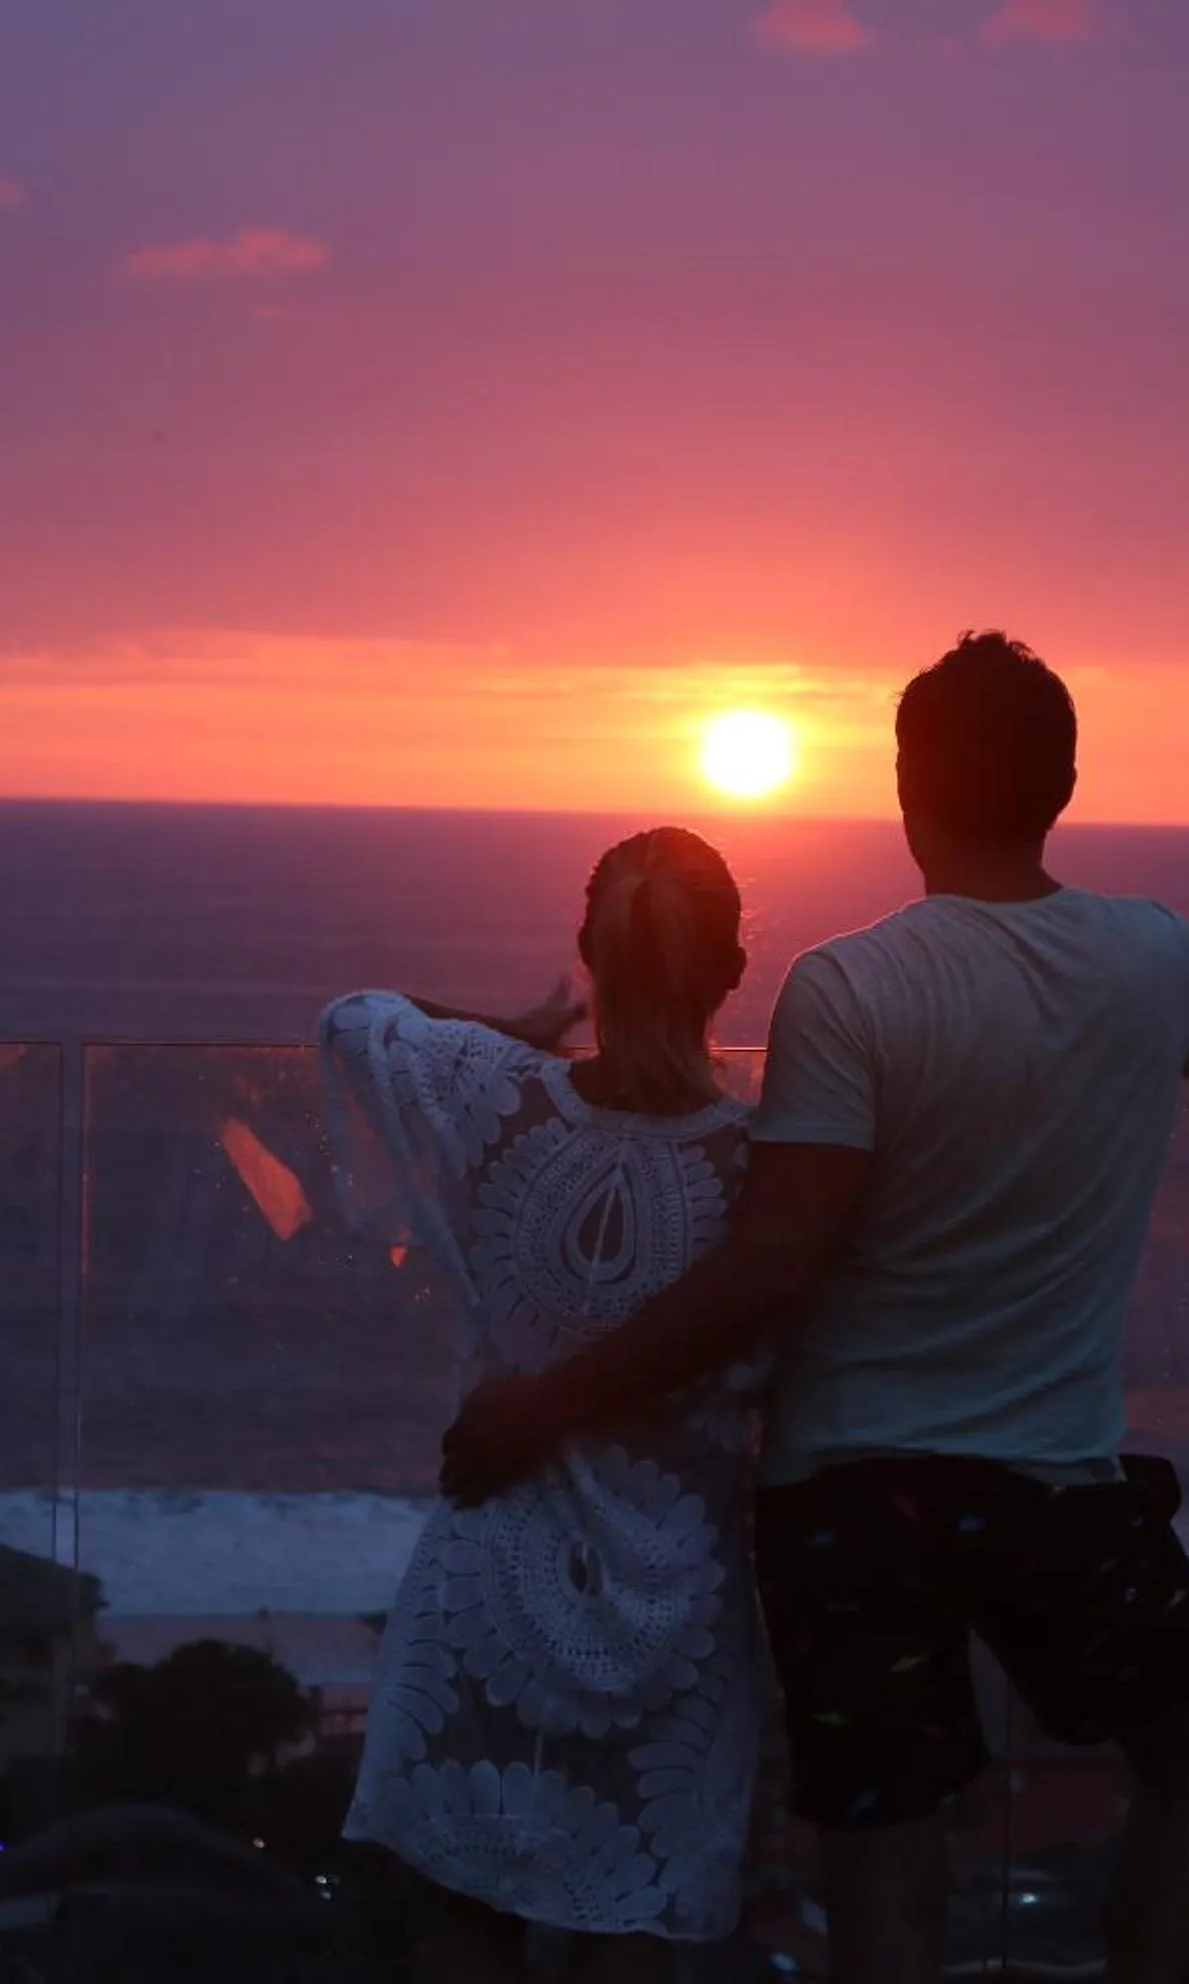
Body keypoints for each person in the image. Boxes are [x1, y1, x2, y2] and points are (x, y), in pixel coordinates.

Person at [445, 632, 1189, 1984]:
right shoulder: (1153, 956)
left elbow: (776, 1263)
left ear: (907, 788)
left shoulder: (849, 984)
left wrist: (548, 1404)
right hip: (1053, 1486)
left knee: (887, 1862)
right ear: (1066, 785)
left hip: (851, 1497)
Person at [318, 826, 764, 1984]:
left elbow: (356, 1017)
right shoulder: (762, 1167)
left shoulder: (502, 1097)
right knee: (631, 1935)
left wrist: (511, 1030)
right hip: (676, 1611)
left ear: (588, 955)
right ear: (732, 971)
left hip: (489, 1579)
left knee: (462, 1930)